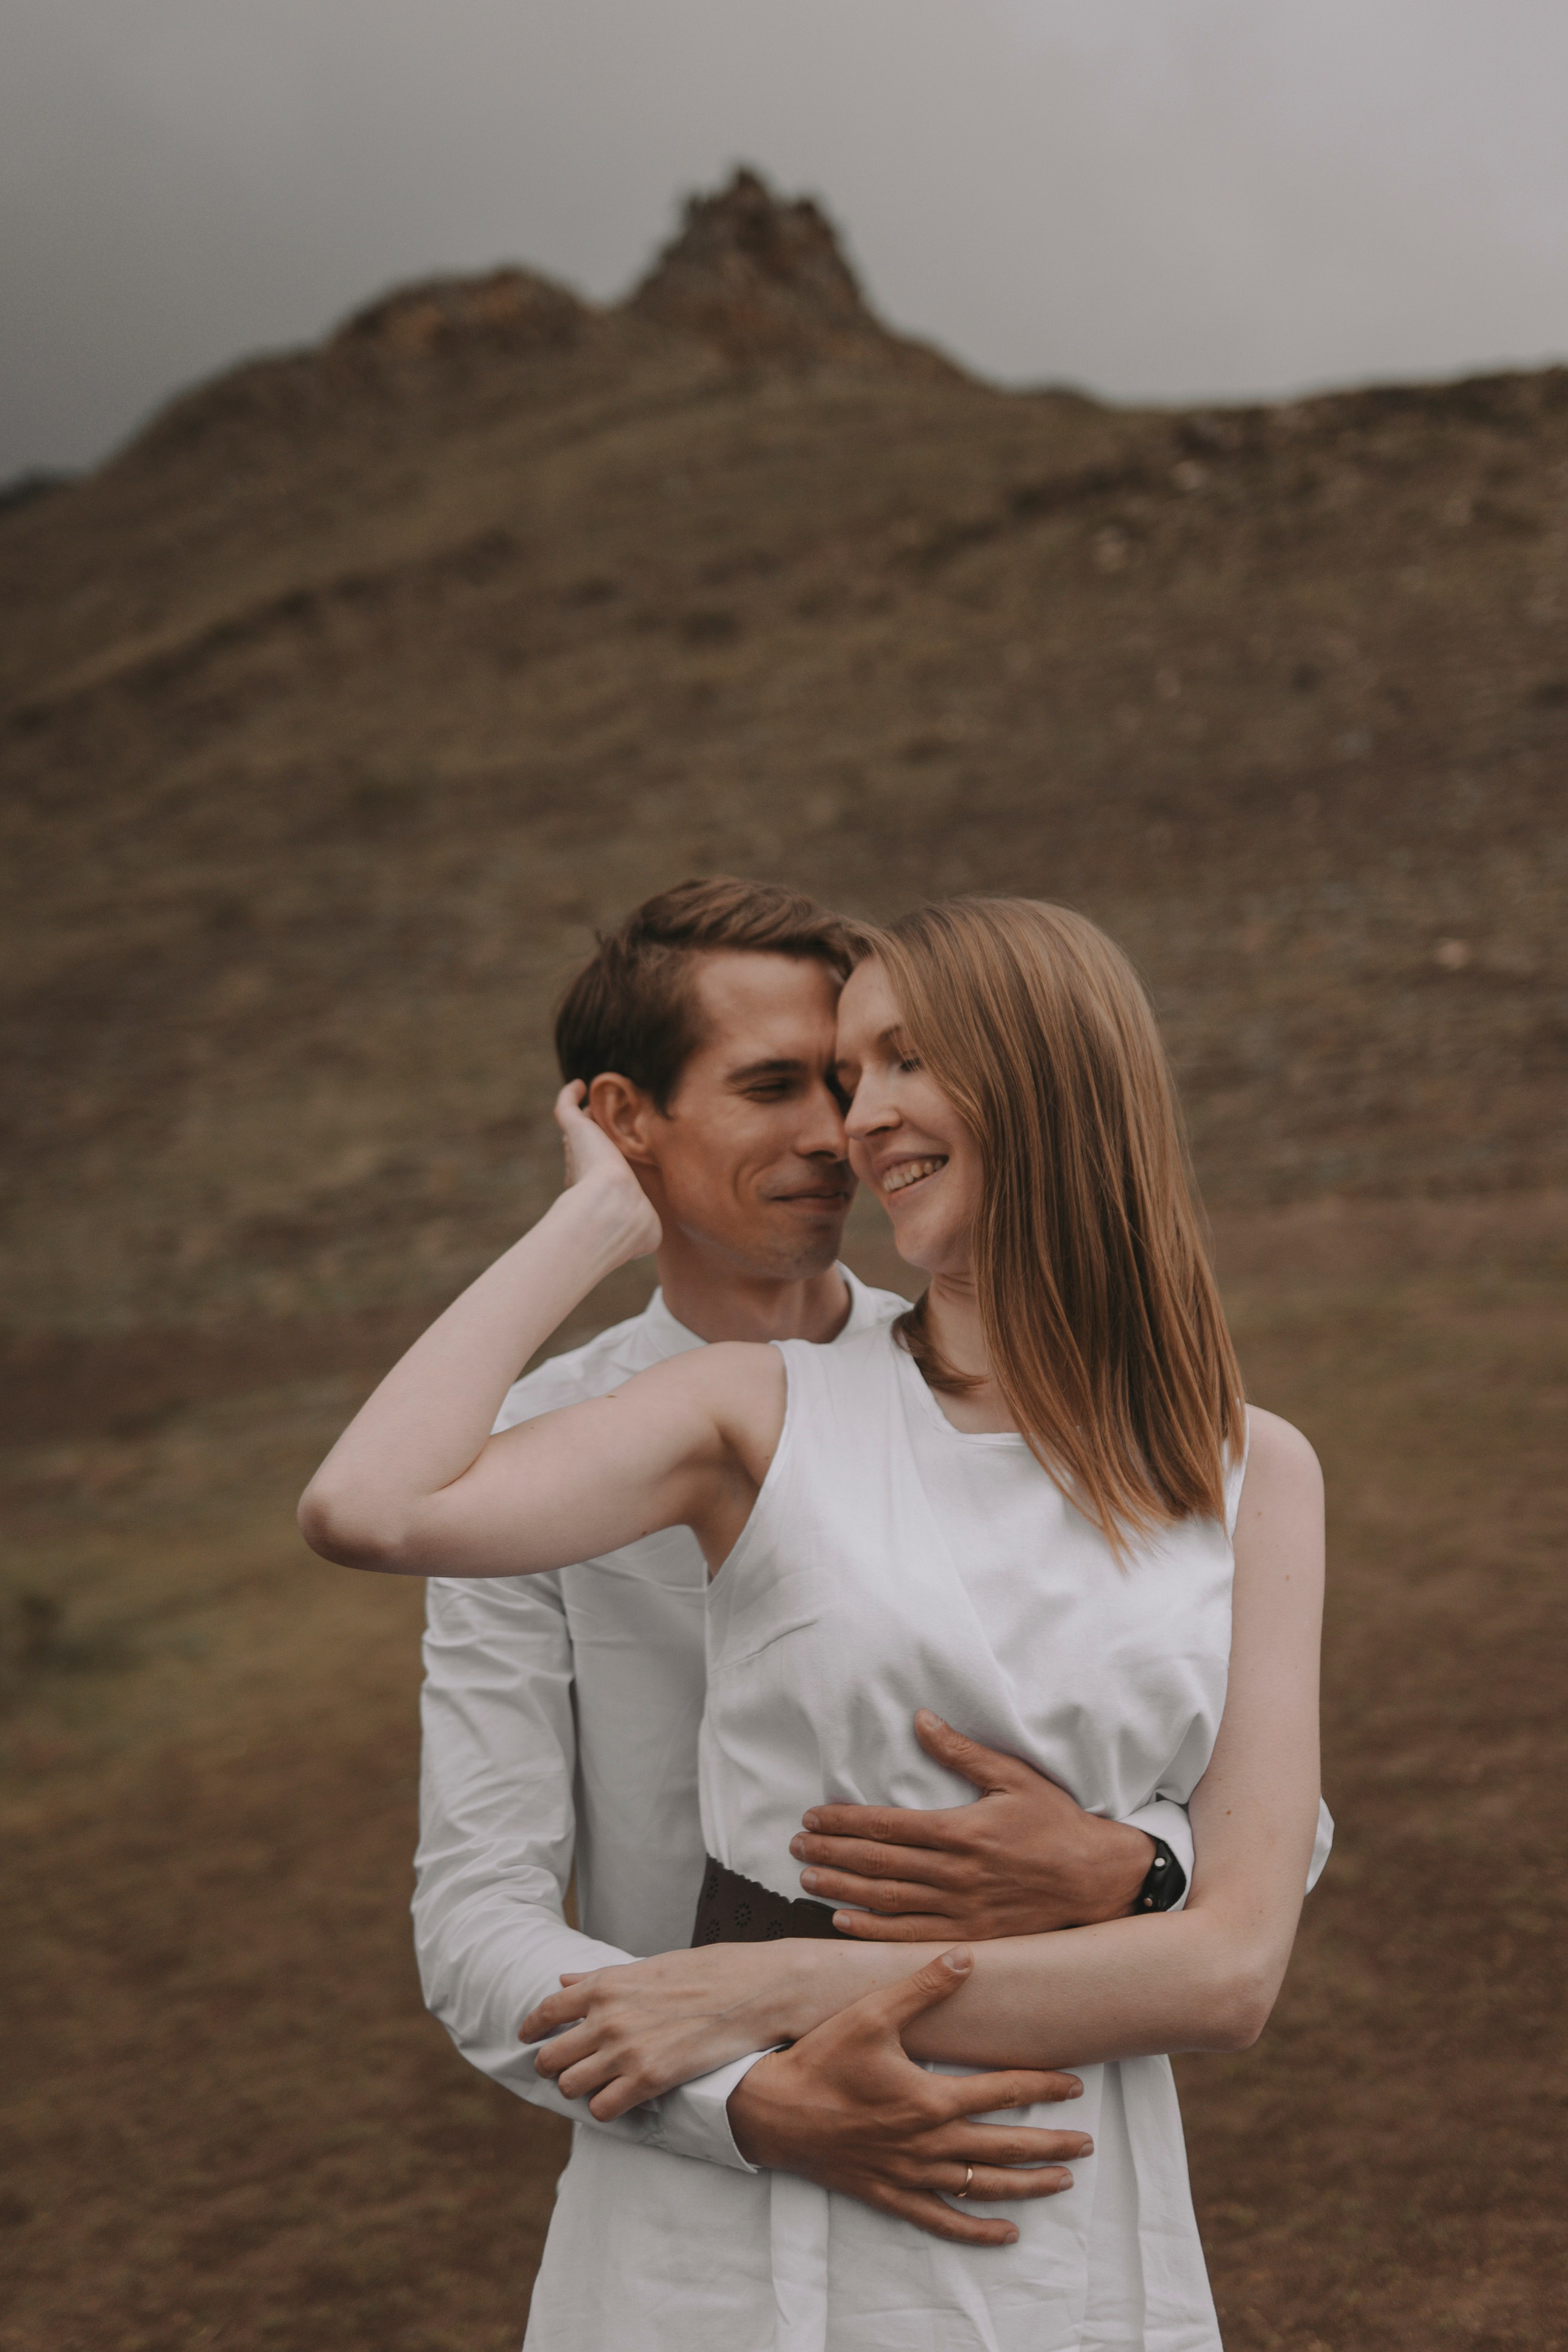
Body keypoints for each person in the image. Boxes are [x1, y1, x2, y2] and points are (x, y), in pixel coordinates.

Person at [301, 893, 1328, 2350]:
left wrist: (1134, 1866)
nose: (845, 1129)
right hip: (702, 2145)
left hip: (1051, 2157)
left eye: (873, 1072)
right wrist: (739, 2085)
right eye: (789, 1082)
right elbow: (473, 1891)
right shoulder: (639, 1425)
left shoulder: (1238, 1461)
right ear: (628, 1120)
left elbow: (1250, 1878)